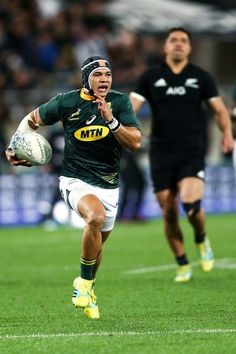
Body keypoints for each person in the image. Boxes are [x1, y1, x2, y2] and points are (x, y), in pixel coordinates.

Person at [6, 55, 141, 319]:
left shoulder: (120, 102)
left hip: (109, 185)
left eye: (108, 75)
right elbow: (31, 121)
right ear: (86, 78)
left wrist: (112, 121)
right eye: (98, 75)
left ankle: (88, 287)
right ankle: (82, 284)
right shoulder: (66, 101)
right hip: (74, 180)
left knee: (97, 247)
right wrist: (15, 145)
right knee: (95, 217)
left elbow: (135, 142)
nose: (104, 80)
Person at [130, 28, 234, 283]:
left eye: (183, 41)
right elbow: (131, 107)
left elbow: (219, 111)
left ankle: (201, 238)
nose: (178, 44)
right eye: (173, 40)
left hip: (191, 151)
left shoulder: (200, 77)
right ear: (165, 47)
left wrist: (227, 134)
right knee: (168, 209)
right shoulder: (150, 77)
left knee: (191, 205)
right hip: (161, 152)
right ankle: (182, 262)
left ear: (189, 48)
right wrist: (129, 129)